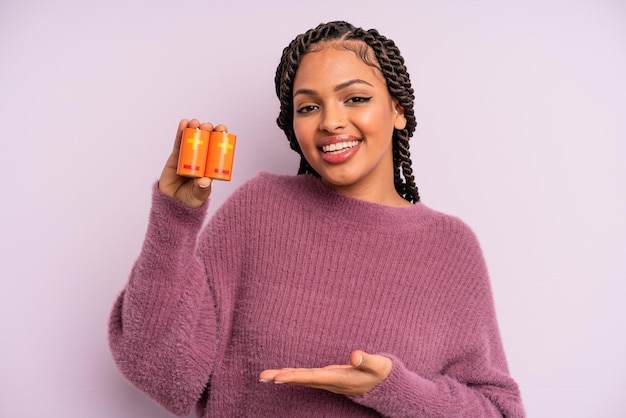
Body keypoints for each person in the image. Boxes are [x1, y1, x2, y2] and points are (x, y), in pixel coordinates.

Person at [108, 20, 525, 417]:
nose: (330, 122)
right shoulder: (257, 210)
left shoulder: (449, 247)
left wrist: (392, 390)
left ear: (398, 110)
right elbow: (159, 372)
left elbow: (499, 412)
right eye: (308, 107)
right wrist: (175, 220)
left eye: (356, 98)